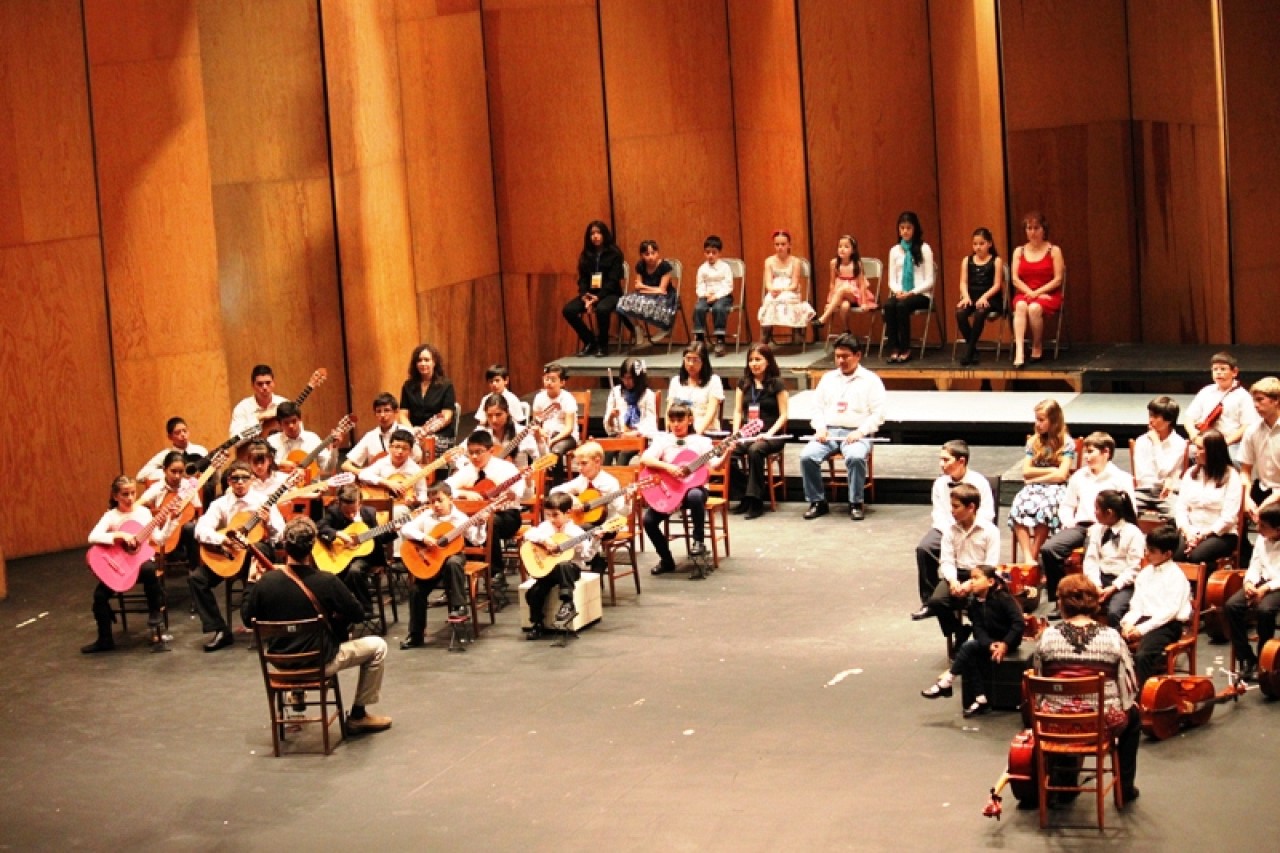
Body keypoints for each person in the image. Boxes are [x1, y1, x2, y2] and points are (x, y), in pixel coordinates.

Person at [241, 517, 391, 735]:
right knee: (378, 646)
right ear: (313, 546)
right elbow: (358, 614)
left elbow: (247, 618)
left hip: (281, 664)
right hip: (320, 662)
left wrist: (251, 583)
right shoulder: (327, 581)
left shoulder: (266, 582)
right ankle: (358, 715)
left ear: (284, 544)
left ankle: (297, 690)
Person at [1033, 573, 1142, 805]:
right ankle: (1125, 789)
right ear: (1095, 602)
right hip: (1101, 724)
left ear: (1061, 604)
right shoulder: (1112, 638)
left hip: (1055, 725)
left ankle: (1064, 783)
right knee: (1134, 716)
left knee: (1052, 706)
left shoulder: (1047, 637)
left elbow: (1039, 683)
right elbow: (1129, 686)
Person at [191, 460, 285, 652]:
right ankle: (220, 629)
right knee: (197, 579)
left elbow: (280, 535)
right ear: (229, 481)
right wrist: (222, 540)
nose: (240, 482)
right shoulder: (220, 504)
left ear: (252, 480)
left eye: (244, 478)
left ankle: (259, 621)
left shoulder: (264, 503)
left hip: (257, 556)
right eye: (235, 478)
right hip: (231, 555)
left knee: (257, 547)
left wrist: (268, 524)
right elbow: (200, 529)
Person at [1039, 432, 1134, 609]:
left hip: (1106, 528)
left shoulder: (1122, 478)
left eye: (1091, 452)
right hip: (1080, 526)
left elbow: (1130, 511)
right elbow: (1067, 505)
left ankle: (1088, 601)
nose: (1086, 457)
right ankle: (1061, 600)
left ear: (1106, 452)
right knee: (1049, 549)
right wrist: (1069, 523)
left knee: (1093, 554)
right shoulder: (1079, 476)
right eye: (1086, 452)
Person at [800, 334, 885, 521]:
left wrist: (860, 432)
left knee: (855, 457)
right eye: (837, 356)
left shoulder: (871, 380)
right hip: (829, 431)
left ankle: (855, 502)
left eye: (845, 356)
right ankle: (817, 501)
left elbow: (878, 414)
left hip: (856, 432)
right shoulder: (828, 378)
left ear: (858, 356)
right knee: (807, 456)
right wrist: (820, 428)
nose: (840, 361)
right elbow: (816, 408)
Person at [920, 565, 1024, 717]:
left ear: (990, 582)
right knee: (969, 655)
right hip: (989, 642)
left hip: (1008, 641)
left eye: (976, 578)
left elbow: (1018, 624)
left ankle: (947, 681)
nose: (972, 582)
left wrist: (1005, 644)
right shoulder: (974, 603)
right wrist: (989, 644)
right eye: (971, 578)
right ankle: (981, 699)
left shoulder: (1003, 599)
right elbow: (978, 629)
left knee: (968, 647)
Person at [80, 476, 167, 653]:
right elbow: (92, 537)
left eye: (133, 493)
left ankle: (155, 612)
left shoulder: (143, 513)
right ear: (115, 496)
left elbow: (159, 538)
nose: (130, 498)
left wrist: (171, 521)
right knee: (99, 596)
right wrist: (119, 536)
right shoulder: (111, 516)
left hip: (141, 566)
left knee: (149, 568)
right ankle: (104, 639)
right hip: (120, 568)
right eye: (125, 494)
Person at [912, 440, 995, 615]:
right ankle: (929, 601)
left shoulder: (979, 482)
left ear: (961, 461)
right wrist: (952, 531)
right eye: (941, 460)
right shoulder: (940, 484)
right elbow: (938, 514)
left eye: (946, 460)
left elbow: (987, 513)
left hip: (973, 528)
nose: (941, 464)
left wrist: (967, 528)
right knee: (924, 549)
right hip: (947, 529)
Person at [912, 483, 1002, 643]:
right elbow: (946, 560)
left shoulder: (990, 531)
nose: (952, 511)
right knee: (936, 602)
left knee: (977, 606)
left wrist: (971, 583)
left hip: (980, 575)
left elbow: (991, 564)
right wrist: (953, 581)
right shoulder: (950, 530)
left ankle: (980, 638)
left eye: (956, 507)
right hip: (957, 573)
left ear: (971, 507)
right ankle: (958, 630)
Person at [641, 404, 721, 579]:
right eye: (672, 420)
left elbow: (716, 465)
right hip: (671, 492)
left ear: (690, 420)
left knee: (694, 495)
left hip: (696, 490)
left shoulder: (701, 442)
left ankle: (698, 541)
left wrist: (728, 451)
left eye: (680, 420)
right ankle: (666, 559)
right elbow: (645, 458)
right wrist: (668, 467)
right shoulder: (663, 440)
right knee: (648, 520)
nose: (676, 424)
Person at [397, 483, 475, 649]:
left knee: (453, 562)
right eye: (433, 501)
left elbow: (477, 540)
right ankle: (416, 635)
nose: (436, 505)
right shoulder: (427, 515)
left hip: (453, 561)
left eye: (440, 500)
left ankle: (459, 607)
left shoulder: (461, 519)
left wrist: (480, 524)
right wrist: (424, 537)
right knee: (416, 591)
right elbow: (406, 528)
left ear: (450, 499)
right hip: (432, 562)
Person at [445, 430, 525, 576]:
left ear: (491, 451)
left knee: (491, 521)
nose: (474, 457)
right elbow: (444, 488)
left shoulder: (507, 469)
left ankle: (495, 571)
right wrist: (465, 493)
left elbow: (516, 494)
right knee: (455, 520)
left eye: (479, 452)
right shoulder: (467, 470)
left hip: (507, 516)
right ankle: (460, 569)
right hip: (475, 516)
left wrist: (502, 501)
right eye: (471, 453)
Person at [1120, 524, 1191, 684]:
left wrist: (1140, 630)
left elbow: (1169, 612)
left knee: (1143, 655)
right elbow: (1136, 605)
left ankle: (1143, 700)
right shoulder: (1144, 574)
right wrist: (1128, 624)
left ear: (1167, 554)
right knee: (1112, 644)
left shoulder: (1176, 576)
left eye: (1152, 551)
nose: (1146, 554)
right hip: (1143, 620)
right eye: (1147, 549)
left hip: (1167, 624)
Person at [1007, 399, 1075, 562]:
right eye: (1036, 419)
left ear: (1053, 421)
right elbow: (1026, 471)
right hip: (1035, 487)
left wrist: (1038, 478)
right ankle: (1028, 557)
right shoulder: (1033, 442)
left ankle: (1034, 552)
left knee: (1045, 508)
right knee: (1018, 504)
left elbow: (1061, 476)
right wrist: (1051, 470)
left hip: (1056, 488)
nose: (1037, 424)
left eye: (1041, 420)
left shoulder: (1066, 443)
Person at [521, 492, 595, 639]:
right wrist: (545, 541)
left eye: (555, 515)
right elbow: (528, 534)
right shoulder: (546, 527)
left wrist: (593, 541)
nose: (551, 519)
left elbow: (588, 556)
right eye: (548, 515)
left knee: (563, 565)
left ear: (568, 513)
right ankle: (537, 624)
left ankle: (568, 603)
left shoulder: (576, 532)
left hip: (571, 570)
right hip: (549, 571)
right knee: (534, 592)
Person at [316, 483, 394, 619]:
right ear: (339, 504)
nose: (351, 515)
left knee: (354, 571)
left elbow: (379, 538)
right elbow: (320, 527)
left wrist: (393, 531)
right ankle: (342, 608)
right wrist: (338, 534)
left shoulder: (369, 513)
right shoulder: (333, 512)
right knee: (331, 574)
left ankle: (365, 608)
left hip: (367, 557)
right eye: (347, 512)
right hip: (341, 556)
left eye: (354, 510)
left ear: (360, 503)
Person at [730, 344, 788, 519]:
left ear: (768, 361)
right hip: (748, 434)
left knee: (756, 450)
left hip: (772, 435)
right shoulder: (744, 383)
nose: (754, 364)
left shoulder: (777, 383)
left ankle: (756, 500)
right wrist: (735, 435)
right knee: (728, 452)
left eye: (758, 359)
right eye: (751, 360)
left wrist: (769, 433)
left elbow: (784, 415)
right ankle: (746, 493)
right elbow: (738, 411)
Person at [1225, 503, 1280, 682]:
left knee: (1265, 610)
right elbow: (1255, 564)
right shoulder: (1261, 539)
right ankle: (1247, 658)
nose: (1258, 529)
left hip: (1277, 586)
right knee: (1232, 606)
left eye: (1263, 526)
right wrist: (1249, 582)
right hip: (1261, 582)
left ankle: (1266, 659)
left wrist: (1266, 588)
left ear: (1278, 529)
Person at [1174, 428, 1242, 565]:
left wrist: (1203, 535)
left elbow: (1229, 517)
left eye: (1200, 448)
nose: (1195, 452)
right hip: (1191, 530)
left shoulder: (1231, 476)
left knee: (1197, 556)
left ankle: (1202, 586)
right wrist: (1188, 532)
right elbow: (1180, 508)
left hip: (1220, 533)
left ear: (1212, 452)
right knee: (1176, 553)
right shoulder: (1191, 473)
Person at [1009, 211, 1065, 368]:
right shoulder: (1018, 251)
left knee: (1034, 308)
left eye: (1036, 228)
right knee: (1020, 306)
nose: (1032, 232)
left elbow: (1058, 279)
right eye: (1029, 228)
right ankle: (1019, 350)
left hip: (1048, 294)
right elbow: (1014, 278)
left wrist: (1037, 293)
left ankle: (1037, 344)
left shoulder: (1054, 251)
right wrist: (1030, 292)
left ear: (1043, 229)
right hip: (1025, 292)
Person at [563, 220, 626, 357]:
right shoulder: (586, 254)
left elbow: (613, 280)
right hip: (590, 294)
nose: (595, 236)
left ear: (604, 235)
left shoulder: (615, 254)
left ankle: (603, 346)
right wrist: (584, 295)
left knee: (602, 309)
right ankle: (590, 341)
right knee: (569, 310)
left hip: (611, 293)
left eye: (598, 233)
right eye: (592, 233)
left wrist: (598, 297)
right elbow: (583, 278)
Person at [1082, 490, 1144, 627]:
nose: (1094, 512)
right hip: (1100, 578)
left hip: (1123, 583)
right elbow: (1091, 559)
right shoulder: (1097, 530)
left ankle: (1117, 644)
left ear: (1109, 512)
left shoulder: (1133, 533)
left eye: (1097, 509)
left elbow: (1134, 567)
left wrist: (1114, 587)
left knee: (1114, 611)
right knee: (1078, 605)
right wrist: (1096, 585)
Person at [882, 211, 935, 363]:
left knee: (902, 306)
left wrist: (911, 293)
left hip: (921, 294)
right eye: (902, 228)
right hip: (901, 293)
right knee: (889, 305)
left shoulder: (924, 248)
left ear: (915, 229)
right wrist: (898, 290)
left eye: (908, 228)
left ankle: (906, 349)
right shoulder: (894, 250)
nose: (905, 231)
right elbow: (892, 279)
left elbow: (930, 280)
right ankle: (894, 348)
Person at [1184, 351, 1255, 460]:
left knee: (1235, 459)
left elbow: (1246, 426)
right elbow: (1189, 418)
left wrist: (1224, 444)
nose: (1218, 372)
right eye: (1215, 369)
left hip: (1230, 443)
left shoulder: (1243, 396)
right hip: (1204, 440)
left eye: (1223, 369)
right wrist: (1194, 436)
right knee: (1184, 453)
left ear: (1234, 372)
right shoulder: (1206, 391)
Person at [140, 450, 201, 569]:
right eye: (173, 471)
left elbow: (198, 508)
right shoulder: (157, 488)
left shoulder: (188, 486)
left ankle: (194, 570)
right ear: (164, 470)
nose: (177, 476)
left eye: (180, 472)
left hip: (184, 532)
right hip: (164, 531)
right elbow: (141, 504)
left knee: (191, 528)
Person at [954, 227, 1004, 366]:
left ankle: (969, 351)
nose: (978, 247)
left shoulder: (996, 260)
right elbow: (963, 282)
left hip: (990, 297)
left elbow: (997, 285)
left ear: (989, 244)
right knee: (960, 313)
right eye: (975, 244)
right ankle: (973, 349)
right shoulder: (967, 260)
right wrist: (965, 297)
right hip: (972, 296)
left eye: (981, 243)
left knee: (980, 313)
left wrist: (985, 297)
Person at [1132, 396, 1187, 517]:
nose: (1151, 420)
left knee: (1177, 516)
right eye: (1150, 415)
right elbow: (1141, 476)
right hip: (1143, 491)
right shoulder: (1141, 441)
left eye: (1155, 417)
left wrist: (1157, 443)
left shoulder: (1179, 443)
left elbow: (1164, 470)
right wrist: (1164, 481)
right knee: (1122, 511)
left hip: (1167, 493)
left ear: (1169, 420)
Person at [757, 229, 815, 344]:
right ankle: (766, 331)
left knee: (786, 298)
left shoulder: (795, 261)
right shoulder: (769, 261)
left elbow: (794, 284)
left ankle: (796, 330)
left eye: (783, 244)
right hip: (775, 289)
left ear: (789, 245)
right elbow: (768, 282)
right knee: (769, 299)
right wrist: (772, 289)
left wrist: (782, 290)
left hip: (790, 290)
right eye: (777, 244)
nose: (780, 247)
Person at [616, 239, 677, 344]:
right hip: (647, 294)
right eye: (646, 254)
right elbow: (638, 287)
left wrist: (644, 287)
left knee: (653, 304)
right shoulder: (640, 265)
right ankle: (637, 328)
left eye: (653, 253)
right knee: (623, 302)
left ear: (658, 253)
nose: (650, 257)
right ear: (641, 255)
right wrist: (647, 288)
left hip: (665, 296)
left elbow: (662, 290)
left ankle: (665, 328)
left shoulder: (664, 266)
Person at [343, 393, 422, 472]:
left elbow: (418, 457)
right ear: (375, 414)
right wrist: (365, 473)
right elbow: (346, 465)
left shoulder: (407, 431)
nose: (383, 415)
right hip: (378, 481)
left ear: (396, 411)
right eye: (378, 411)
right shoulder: (370, 436)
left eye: (387, 410)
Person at [813, 235, 875, 330]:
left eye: (846, 247)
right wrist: (831, 301)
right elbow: (832, 283)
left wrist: (863, 303)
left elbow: (862, 284)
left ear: (853, 250)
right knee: (845, 306)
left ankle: (823, 319)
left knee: (843, 290)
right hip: (839, 295)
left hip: (854, 294)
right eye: (840, 246)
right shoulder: (834, 263)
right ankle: (847, 330)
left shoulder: (856, 264)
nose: (842, 249)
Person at [602, 357, 657, 464]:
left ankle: (622, 480)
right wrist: (612, 417)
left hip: (638, 437)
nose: (626, 382)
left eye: (630, 378)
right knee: (607, 451)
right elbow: (609, 428)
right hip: (619, 435)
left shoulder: (648, 394)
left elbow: (651, 424)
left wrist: (634, 433)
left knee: (624, 453)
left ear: (638, 378)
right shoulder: (616, 392)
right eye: (624, 378)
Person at [1240, 376, 1280, 521]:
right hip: (1263, 487)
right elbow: (1245, 470)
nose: (1255, 405)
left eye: (1260, 399)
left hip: (1278, 491)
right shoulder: (1252, 430)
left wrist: (1269, 503)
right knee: (1234, 506)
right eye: (1254, 400)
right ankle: (1243, 544)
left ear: (1275, 400)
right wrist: (1246, 498)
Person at [398, 343, 457, 443]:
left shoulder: (446, 385)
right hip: (415, 432)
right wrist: (411, 430)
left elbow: (446, 416)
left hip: (439, 433)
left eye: (427, 360)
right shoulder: (408, 386)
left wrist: (426, 431)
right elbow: (403, 415)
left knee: (425, 446)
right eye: (419, 360)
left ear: (434, 362)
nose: (423, 364)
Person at [532, 362, 578, 483]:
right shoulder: (539, 397)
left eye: (553, 379)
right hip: (545, 434)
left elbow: (569, 428)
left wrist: (553, 440)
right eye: (546, 379)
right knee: (528, 445)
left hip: (566, 436)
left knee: (555, 451)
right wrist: (540, 432)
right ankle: (536, 484)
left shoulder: (568, 398)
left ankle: (557, 486)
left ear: (562, 382)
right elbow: (536, 422)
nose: (549, 382)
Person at [357, 429, 427, 508]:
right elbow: (363, 475)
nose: (400, 451)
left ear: (410, 451)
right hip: (383, 505)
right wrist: (387, 483)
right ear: (390, 447)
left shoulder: (416, 470)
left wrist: (415, 502)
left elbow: (423, 494)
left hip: (405, 507)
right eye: (397, 447)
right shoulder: (382, 462)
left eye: (405, 448)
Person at [667, 341, 724, 436]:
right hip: (679, 432)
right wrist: (669, 431)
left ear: (703, 362)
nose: (690, 364)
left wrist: (696, 433)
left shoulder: (714, 381)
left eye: (695, 360)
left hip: (705, 432)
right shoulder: (675, 381)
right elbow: (669, 411)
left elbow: (711, 412)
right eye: (688, 359)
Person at [693, 234, 734, 358]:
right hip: (707, 296)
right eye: (707, 252)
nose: (710, 255)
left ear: (719, 253)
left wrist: (716, 296)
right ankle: (700, 339)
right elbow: (699, 285)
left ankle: (720, 339)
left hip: (723, 296)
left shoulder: (725, 267)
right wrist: (705, 294)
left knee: (718, 308)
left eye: (714, 252)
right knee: (698, 308)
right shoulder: (702, 269)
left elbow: (728, 286)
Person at [267, 401, 333, 476]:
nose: (291, 426)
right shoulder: (271, 441)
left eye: (294, 421)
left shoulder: (312, 438)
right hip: (281, 485)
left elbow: (328, 468)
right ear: (279, 424)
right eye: (286, 423)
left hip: (310, 485)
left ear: (300, 420)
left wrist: (334, 449)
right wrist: (279, 463)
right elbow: (262, 466)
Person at [136, 417, 208, 484]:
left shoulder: (201, 450)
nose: (183, 434)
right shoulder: (166, 455)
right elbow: (140, 476)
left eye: (184, 431)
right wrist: (172, 473)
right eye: (177, 432)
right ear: (170, 437)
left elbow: (213, 478)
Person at [229, 364, 288, 437]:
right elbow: (235, 440)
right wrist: (258, 418)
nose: (264, 387)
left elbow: (299, 433)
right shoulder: (242, 408)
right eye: (260, 384)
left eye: (268, 383)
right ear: (253, 385)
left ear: (273, 383)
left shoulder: (284, 403)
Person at [482, 393, 537, 467]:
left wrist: (540, 440)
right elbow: (464, 456)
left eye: (498, 414)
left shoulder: (522, 433)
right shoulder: (482, 434)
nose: (494, 420)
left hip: (519, 477)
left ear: (507, 412)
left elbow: (541, 459)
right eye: (489, 415)